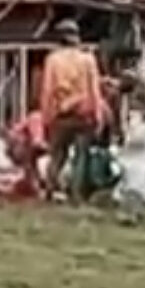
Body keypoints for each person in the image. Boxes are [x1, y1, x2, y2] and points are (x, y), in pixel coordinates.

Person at [40, 18, 103, 200]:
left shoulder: (52, 60)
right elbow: (94, 90)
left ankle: (50, 191)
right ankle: (76, 193)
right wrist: (98, 114)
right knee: (81, 156)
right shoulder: (88, 60)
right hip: (84, 114)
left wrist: (46, 116)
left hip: (61, 114)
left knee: (57, 155)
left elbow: (47, 90)